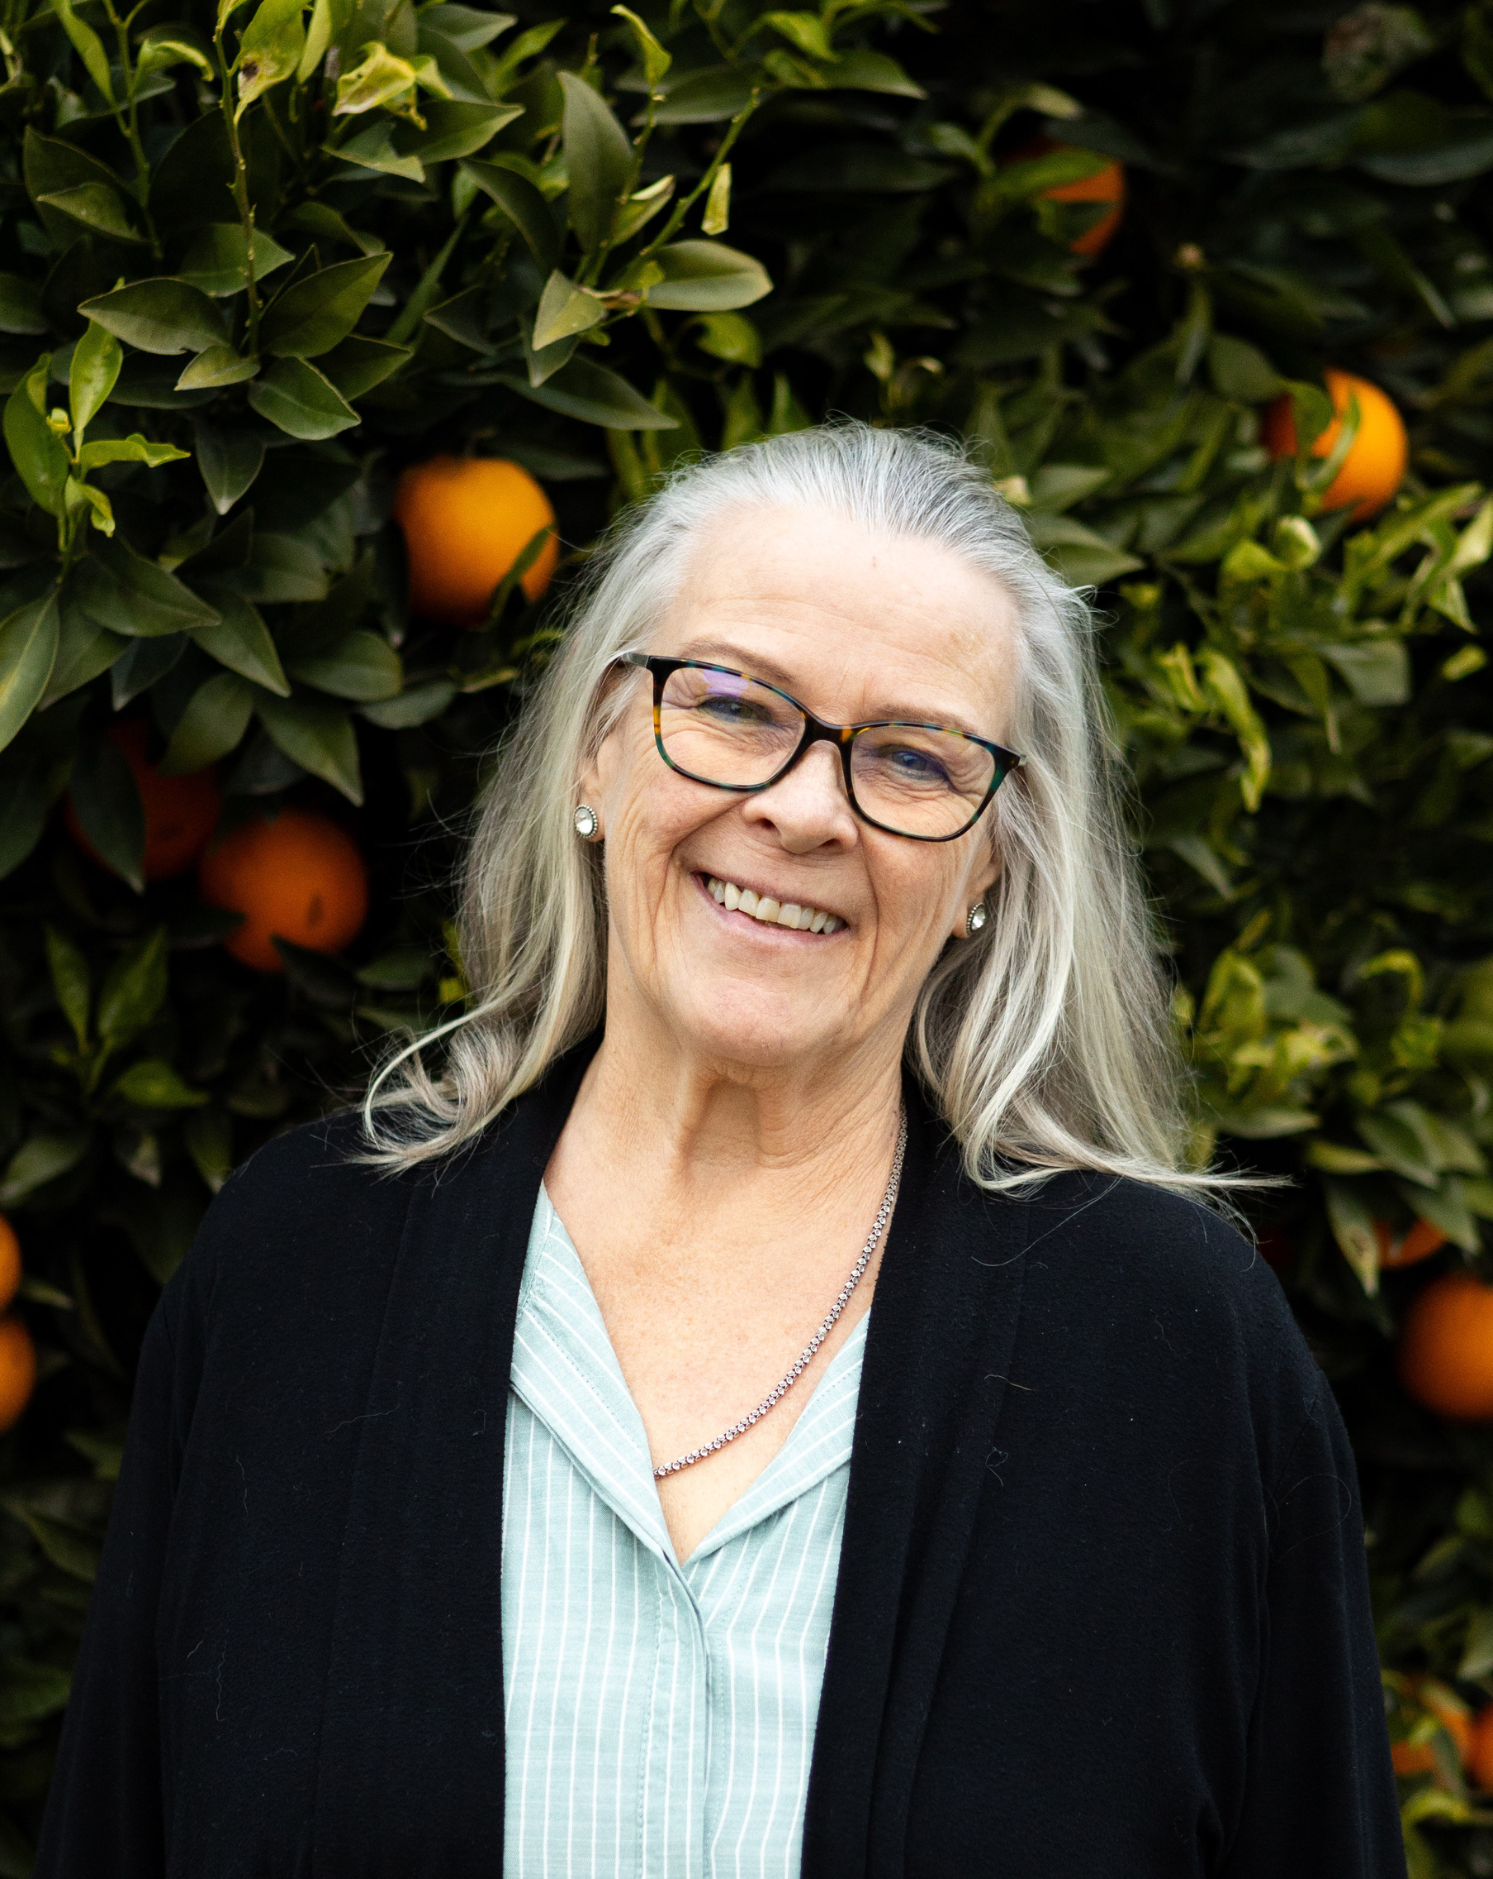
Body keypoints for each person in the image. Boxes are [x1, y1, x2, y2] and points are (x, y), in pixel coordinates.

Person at [37, 424, 1405, 1878]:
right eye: (740, 705)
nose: (806, 807)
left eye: (913, 756)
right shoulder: (297, 1277)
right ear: (595, 746)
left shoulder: (1176, 1356)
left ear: (990, 868)